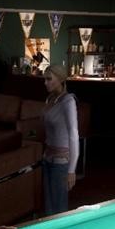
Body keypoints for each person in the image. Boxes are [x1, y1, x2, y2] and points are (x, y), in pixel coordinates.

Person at [42, 64, 79, 215]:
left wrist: (71, 170)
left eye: (49, 79)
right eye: (45, 79)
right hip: (47, 158)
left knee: (59, 208)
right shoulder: (50, 99)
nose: (45, 82)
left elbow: (74, 134)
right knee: (49, 206)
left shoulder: (68, 101)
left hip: (61, 163)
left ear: (60, 79)